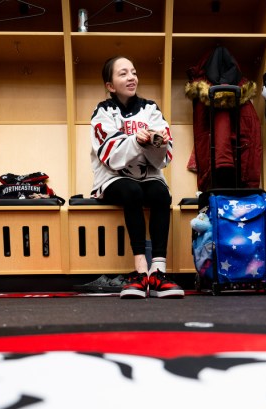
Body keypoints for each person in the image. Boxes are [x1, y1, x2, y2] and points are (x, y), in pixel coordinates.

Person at [90, 56, 184, 299]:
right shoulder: (103, 112)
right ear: (110, 85)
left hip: (149, 175)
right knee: (132, 190)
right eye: (123, 74)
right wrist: (135, 140)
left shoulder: (150, 108)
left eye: (133, 72)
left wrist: (157, 143)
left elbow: (164, 157)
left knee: (161, 193)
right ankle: (141, 270)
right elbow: (110, 156)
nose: (131, 77)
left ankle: (158, 271)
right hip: (111, 178)